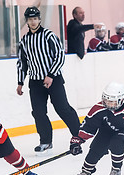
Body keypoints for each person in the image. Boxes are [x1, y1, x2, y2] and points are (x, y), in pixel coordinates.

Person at [16, 6, 80, 154]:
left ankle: (80, 135)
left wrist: (50, 75)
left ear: (39, 19)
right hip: (35, 81)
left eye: (35, 19)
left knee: (62, 108)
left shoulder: (48, 35)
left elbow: (59, 55)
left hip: (54, 78)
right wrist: (20, 82)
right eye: (30, 19)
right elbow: (22, 62)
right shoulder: (24, 40)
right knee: (38, 112)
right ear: (27, 21)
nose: (32, 22)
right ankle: (45, 141)